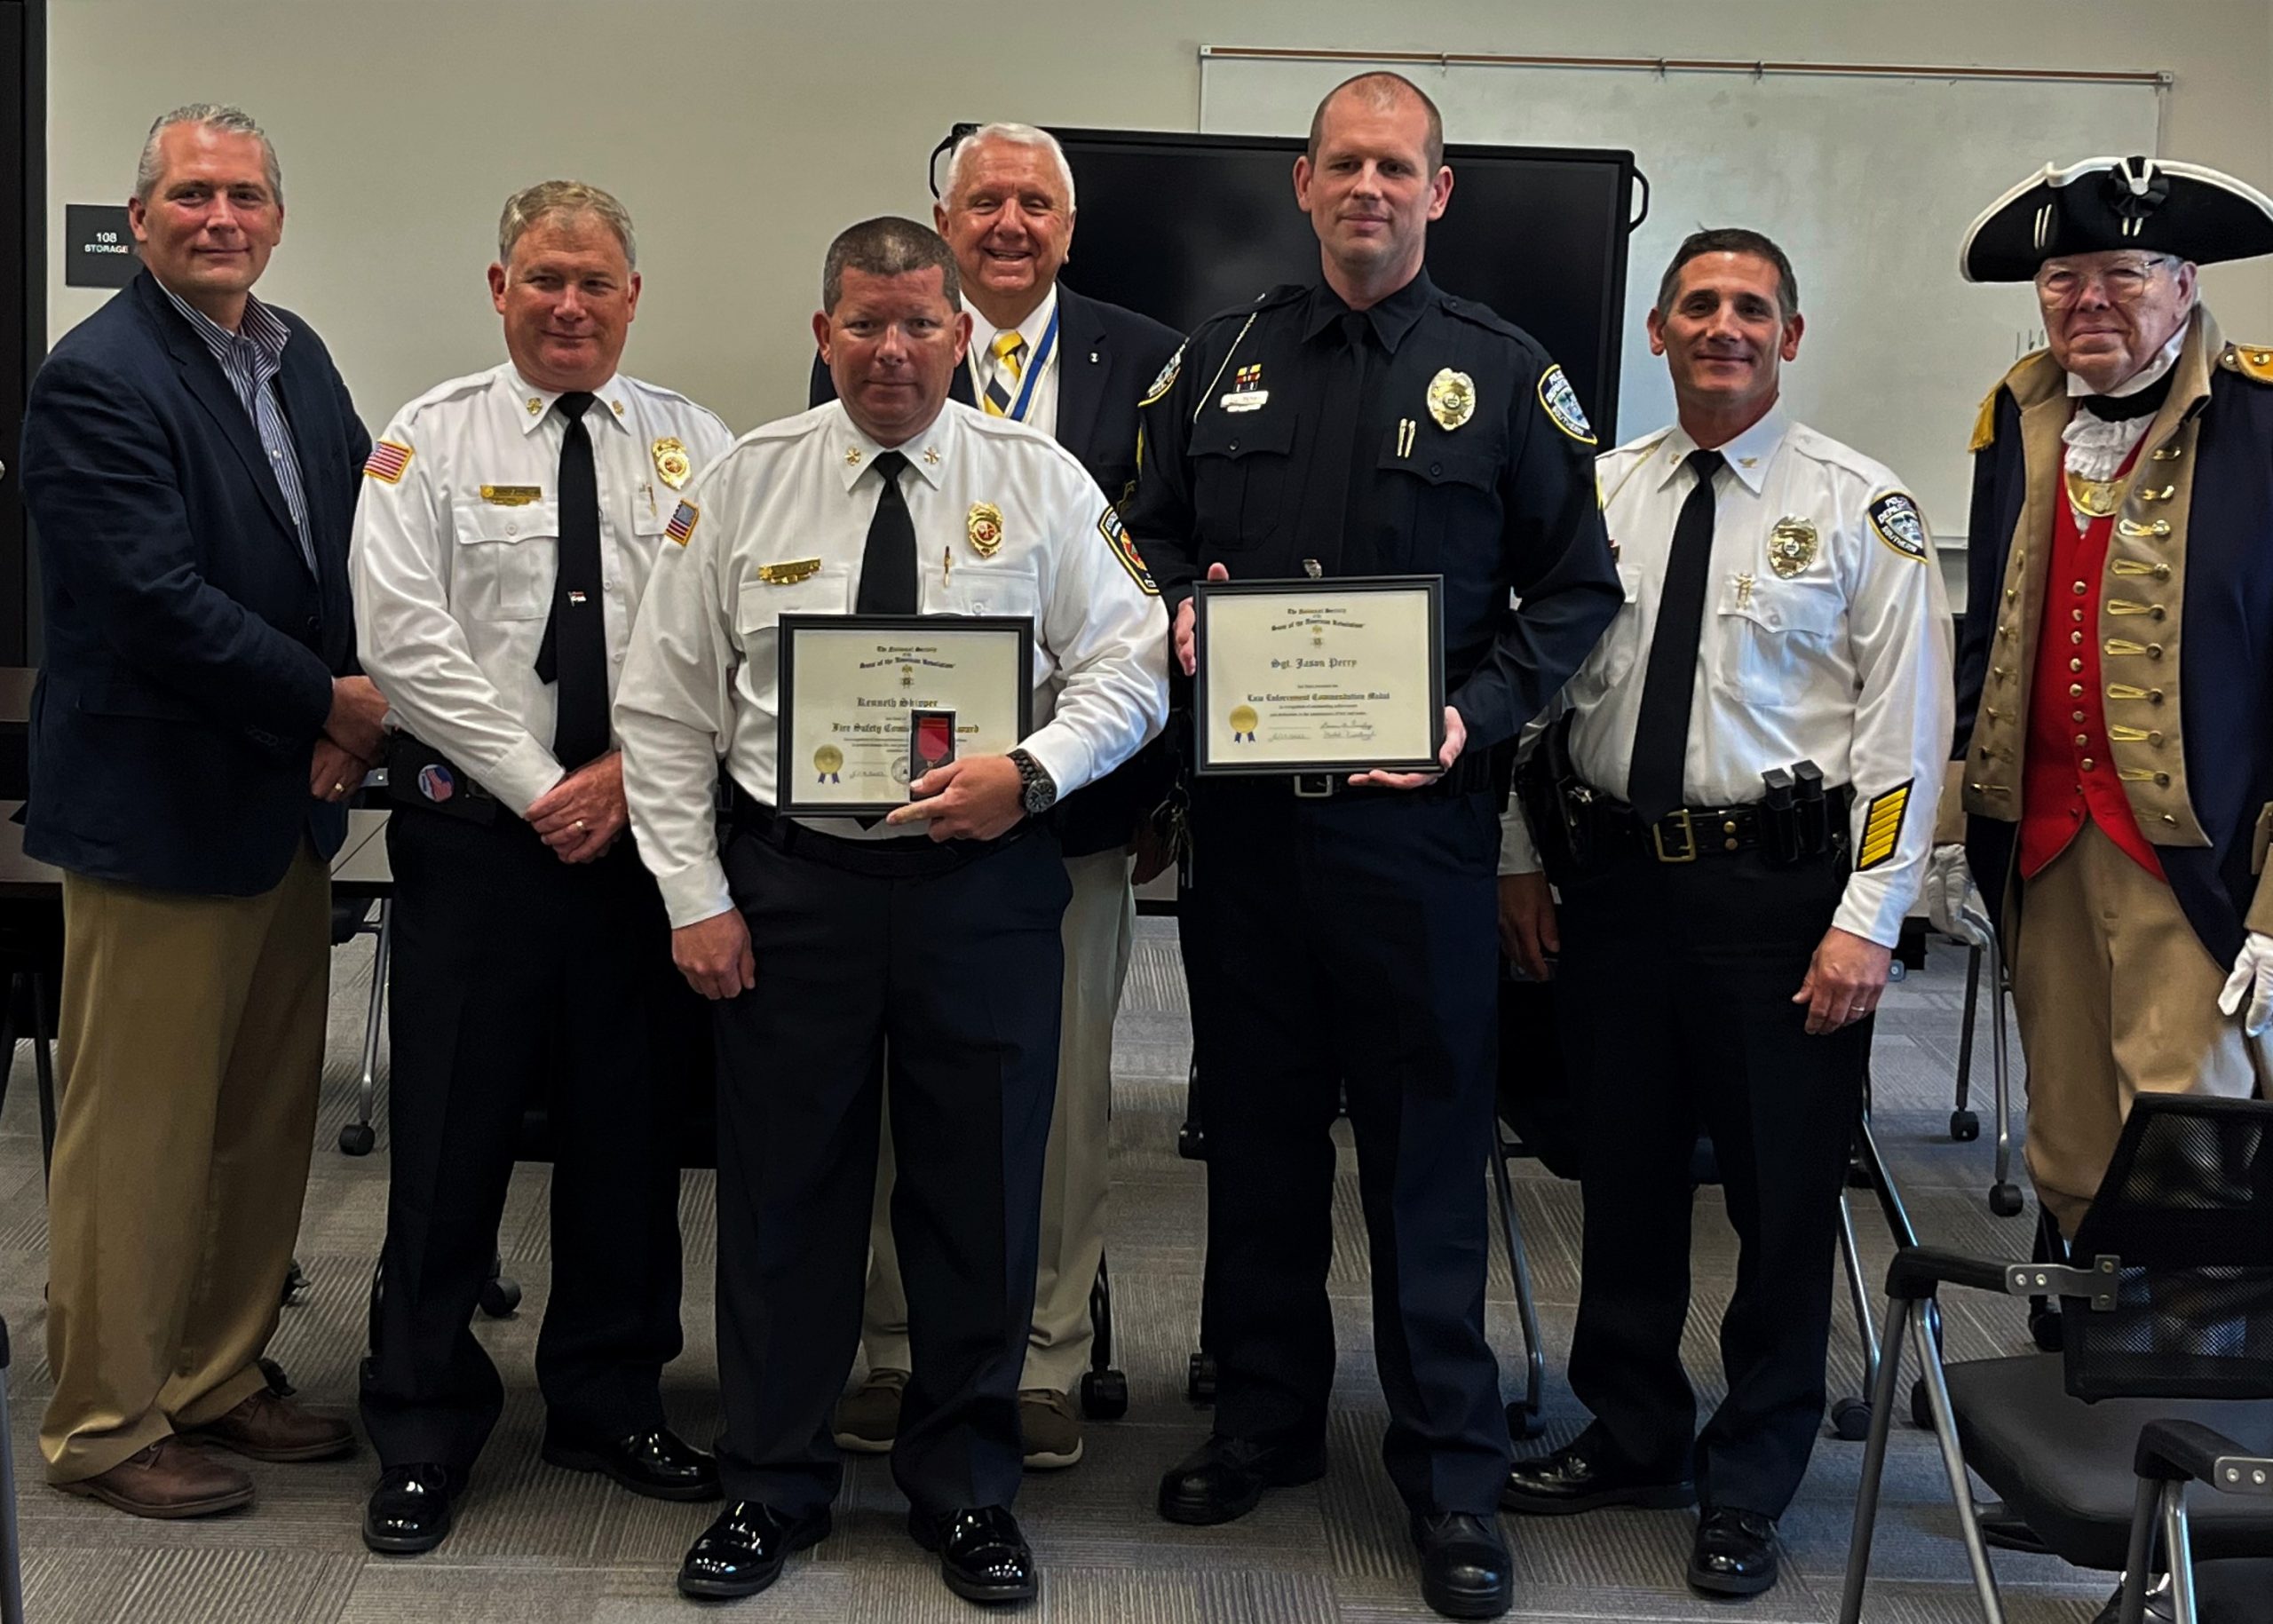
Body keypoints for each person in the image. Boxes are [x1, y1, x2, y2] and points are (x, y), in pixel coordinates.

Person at [1124, 72, 1620, 1622]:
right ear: (1304, 180)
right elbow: (1131, 530)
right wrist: (1172, 610)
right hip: (1254, 840)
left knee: (1424, 1153)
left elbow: (1575, 588)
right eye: (1345, 163)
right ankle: (1263, 1417)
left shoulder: (1506, 373)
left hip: (1419, 837)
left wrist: (1476, 714)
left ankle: (1451, 1471)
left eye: (1396, 167)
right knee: (1259, 1135)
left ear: (1439, 192)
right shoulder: (1218, 363)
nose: (1369, 188)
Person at [615, 218, 1167, 1606]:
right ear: (823, 334)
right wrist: (695, 896)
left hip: (978, 886)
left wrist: (1031, 772)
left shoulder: (1036, 481)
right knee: (784, 1199)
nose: (894, 350)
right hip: (793, 887)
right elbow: (665, 707)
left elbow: (1136, 664)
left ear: (959, 335)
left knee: (979, 1194)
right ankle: (773, 1482)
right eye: (864, 323)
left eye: (922, 324)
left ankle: (967, 1484)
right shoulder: (746, 484)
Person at [1496, 229, 1953, 1598]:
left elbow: (1905, 739)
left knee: (1779, 1191)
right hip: (1616, 881)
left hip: (1780, 893)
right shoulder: (1596, 494)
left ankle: (1755, 1470)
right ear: (1657, 329)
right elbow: (1538, 693)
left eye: (1752, 308)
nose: (1724, 327)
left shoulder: (1863, 507)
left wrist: (1869, 917)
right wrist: (1522, 855)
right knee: (1623, 1173)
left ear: (1790, 337)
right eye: (1698, 305)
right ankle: (1634, 1427)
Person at [349, 180, 733, 1555]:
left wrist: (627, 780)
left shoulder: (699, 446)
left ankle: (607, 1397)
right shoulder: (427, 439)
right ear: (497, 288)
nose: (569, 304)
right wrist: (541, 788)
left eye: (597, 282)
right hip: (479, 847)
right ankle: (422, 1419)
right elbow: (402, 642)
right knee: (449, 1137)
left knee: (628, 1139)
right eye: (543, 279)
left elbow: (729, 634)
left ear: (635, 296)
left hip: (638, 846)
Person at [19, 103, 375, 1518]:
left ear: (277, 218)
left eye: (243, 195)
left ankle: (217, 1373)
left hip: (281, 807)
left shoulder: (301, 358)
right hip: (161, 814)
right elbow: (152, 605)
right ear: (141, 220)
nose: (219, 216)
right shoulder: (97, 376)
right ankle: (105, 1418)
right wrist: (329, 703)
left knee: (256, 1119)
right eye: (190, 195)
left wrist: (352, 697)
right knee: (140, 1136)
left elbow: (353, 535)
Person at [812, 121, 1180, 1471]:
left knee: (1062, 1098)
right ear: (945, 221)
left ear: (1067, 231)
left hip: (1073, 808)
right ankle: (898, 1348)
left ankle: (1040, 1359)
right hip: (894, 808)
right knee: (910, 1092)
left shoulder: (1149, 363)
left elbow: (1161, 596)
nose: (1010, 220)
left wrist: (1145, 788)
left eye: (1034, 201)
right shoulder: (880, 337)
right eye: (985, 200)